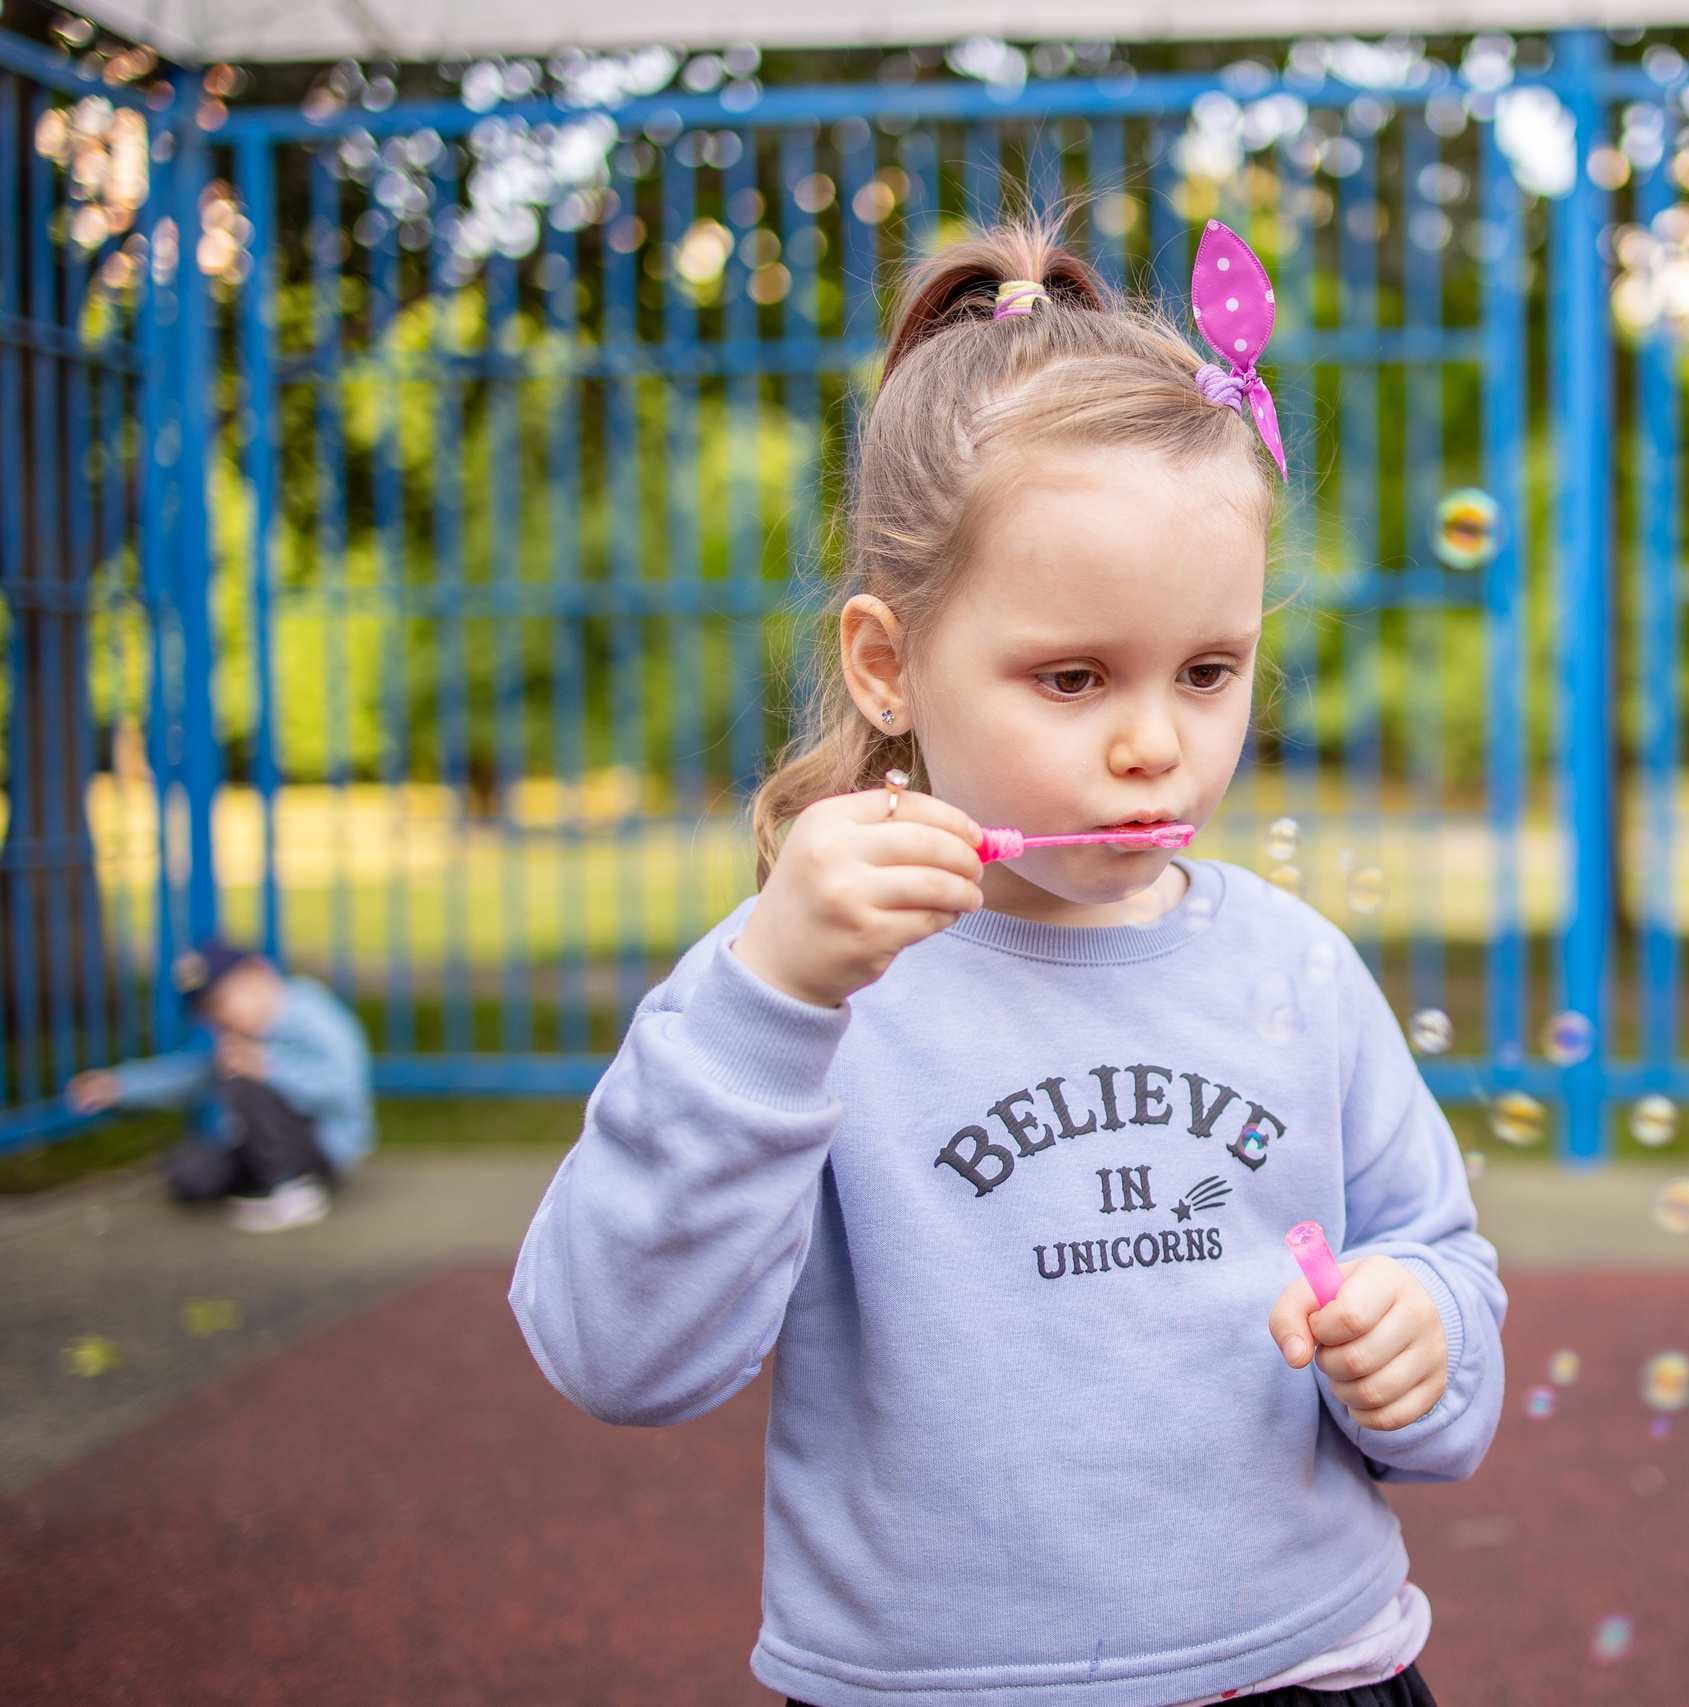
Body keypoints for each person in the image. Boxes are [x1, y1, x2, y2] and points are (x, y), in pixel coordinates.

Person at [510, 220, 1504, 1707]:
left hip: (1319, 1667)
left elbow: (1440, 1270)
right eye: (1072, 675)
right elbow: (615, 1350)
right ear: (887, 662)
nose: (1154, 739)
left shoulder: (1295, 961)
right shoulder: (803, 982)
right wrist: (774, 995)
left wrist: (1421, 1331)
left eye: (1208, 669)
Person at [67, 941, 375, 1233]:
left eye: (222, 1002)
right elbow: (192, 1075)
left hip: (323, 1147)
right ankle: (267, 1182)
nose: (221, 1018)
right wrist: (120, 1086)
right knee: (190, 1172)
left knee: (241, 1075)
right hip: (260, 1145)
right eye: (209, 1013)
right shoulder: (244, 1038)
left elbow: (343, 1085)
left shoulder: (312, 1013)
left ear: (258, 974)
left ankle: (293, 1189)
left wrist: (267, 1065)